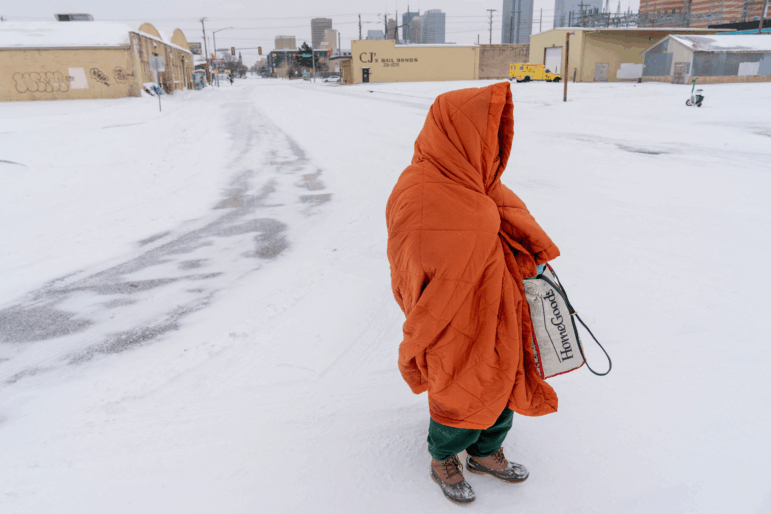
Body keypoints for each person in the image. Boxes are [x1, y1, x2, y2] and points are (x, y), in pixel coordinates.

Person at [385, 82, 560, 505]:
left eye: (495, 138)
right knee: (459, 385)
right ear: (454, 133)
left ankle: (485, 452)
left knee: (505, 377)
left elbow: (515, 228)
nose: (493, 149)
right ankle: (443, 457)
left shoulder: (479, 181)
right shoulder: (419, 188)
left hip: (502, 303)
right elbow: (411, 264)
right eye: (485, 137)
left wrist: (529, 263)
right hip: (450, 313)